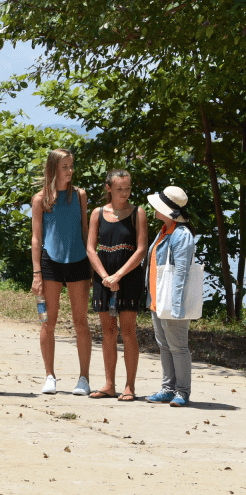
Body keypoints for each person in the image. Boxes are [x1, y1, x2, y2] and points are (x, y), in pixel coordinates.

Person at [31, 148, 92, 396]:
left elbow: (86, 231)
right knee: (48, 321)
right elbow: (36, 238)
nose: (70, 171)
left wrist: (93, 265)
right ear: (54, 168)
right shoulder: (41, 199)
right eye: (65, 166)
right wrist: (36, 273)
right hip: (50, 263)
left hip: (78, 261)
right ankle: (49, 376)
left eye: (71, 166)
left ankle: (84, 378)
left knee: (81, 321)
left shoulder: (80, 195)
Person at [85, 169, 148, 401]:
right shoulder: (97, 213)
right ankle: (109, 384)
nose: (124, 193)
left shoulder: (137, 213)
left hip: (129, 275)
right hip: (104, 276)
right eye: (119, 189)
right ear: (108, 188)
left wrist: (119, 276)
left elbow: (141, 249)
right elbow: (91, 248)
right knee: (108, 331)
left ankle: (129, 386)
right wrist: (104, 276)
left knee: (128, 331)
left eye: (128, 188)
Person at [144, 186, 197, 407]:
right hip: (158, 298)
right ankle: (168, 389)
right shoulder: (164, 230)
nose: (154, 209)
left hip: (171, 300)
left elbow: (182, 273)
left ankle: (182, 392)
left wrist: (177, 307)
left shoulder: (181, 234)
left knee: (178, 347)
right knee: (164, 345)